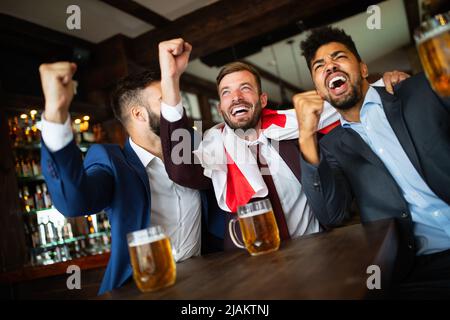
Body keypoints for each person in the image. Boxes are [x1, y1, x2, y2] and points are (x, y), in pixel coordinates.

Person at [157, 38, 408, 248]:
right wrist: (171, 79)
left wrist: (385, 83)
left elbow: (344, 103)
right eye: (226, 93)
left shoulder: (299, 128)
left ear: (263, 99)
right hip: (252, 268)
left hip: (319, 252)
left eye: (245, 88)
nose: (235, 97)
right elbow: (180, 170)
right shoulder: (214, 147)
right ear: (221, 108)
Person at [38, 62, 223, 295]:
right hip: (139, 289)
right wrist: (56, 114)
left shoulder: (195, 151)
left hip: (205, 280)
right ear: (139, 114)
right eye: (165, 100)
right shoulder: (112, 163)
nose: (176, 106)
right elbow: (74, 202)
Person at [294, 26, 450, 298]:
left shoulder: (419, 90)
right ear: (318, 89)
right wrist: (306, 136)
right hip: (418, 271)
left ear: (364, 69)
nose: (329, 67)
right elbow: (331, 214)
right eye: (320, 66)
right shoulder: (330, 148)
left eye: (338, 57)